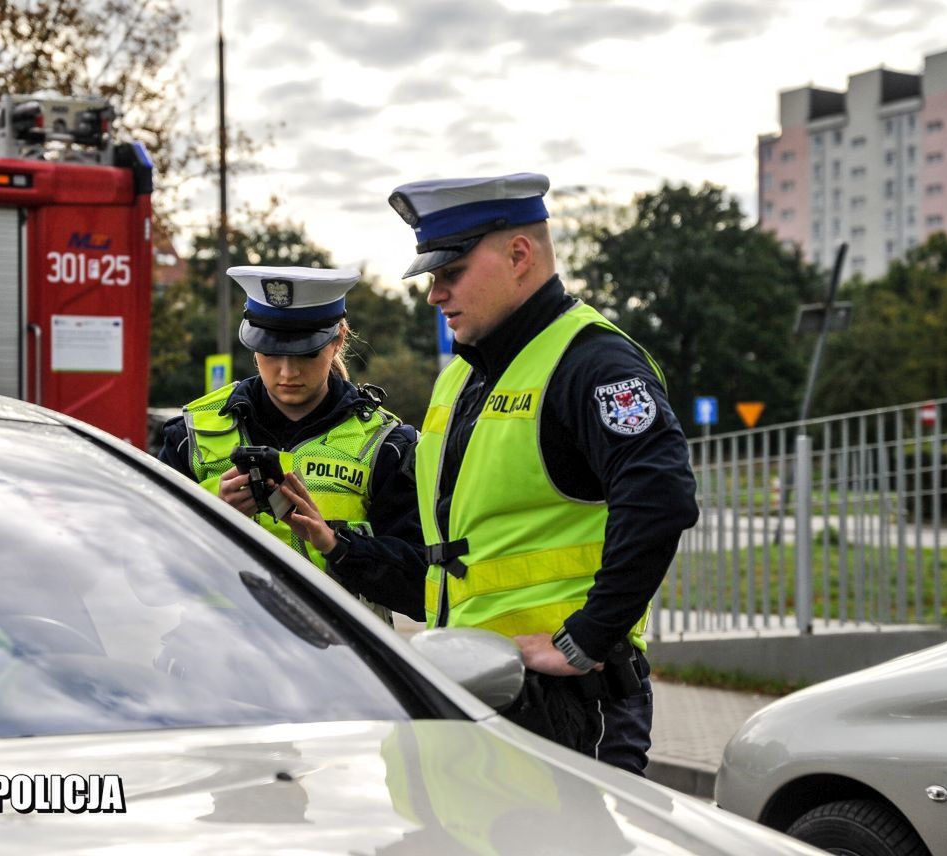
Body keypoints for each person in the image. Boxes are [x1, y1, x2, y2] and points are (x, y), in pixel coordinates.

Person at [386, 173, 699, 775]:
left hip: (569, 704)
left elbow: (660, 498)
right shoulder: (465, 375)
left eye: (450, 273)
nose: (434, 295)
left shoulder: (592, 361)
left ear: (519, 256)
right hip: (482, 692)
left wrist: (587, 638)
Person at [158, 265, 425, 623]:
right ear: (253, 347)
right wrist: (212, 520)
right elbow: (146, 581)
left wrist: (337, 546)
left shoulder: (386, 444)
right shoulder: (188, 436)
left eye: (306, 353)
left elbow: (425, 590)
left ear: (337, 340)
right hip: (214, 666)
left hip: (339, 670)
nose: (287, 372)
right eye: (270, 352)